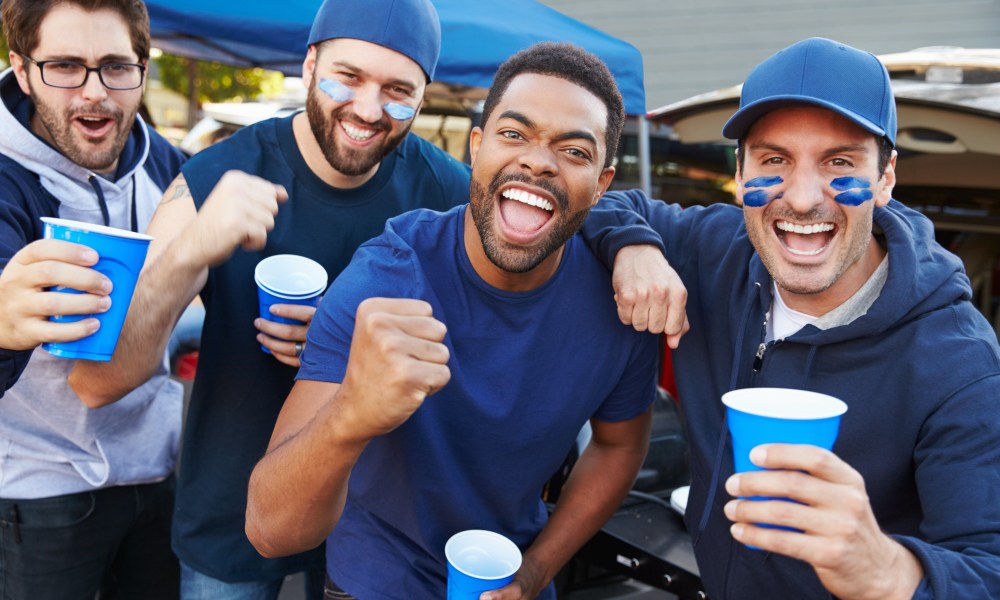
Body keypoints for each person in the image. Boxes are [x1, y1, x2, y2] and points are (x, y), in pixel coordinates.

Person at [69, 0, 473, 597]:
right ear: (308, 65)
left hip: (375, 519)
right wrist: (193, 249)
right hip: (230, 509)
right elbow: (98, 382)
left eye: (397, 90)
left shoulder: (446, 189)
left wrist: (631, 243)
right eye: (348, 76)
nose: (367, 108)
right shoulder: (215, 177)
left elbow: (548, 244)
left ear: (423, 94)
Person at [583, 37, 1000, 599]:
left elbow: (987, 570)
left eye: (840, 162)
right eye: (774, 160)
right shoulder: (717, 248)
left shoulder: (959, 364)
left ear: (886, 178)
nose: (802, 198)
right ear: (739, 172)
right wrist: (635, 248)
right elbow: (602, 199)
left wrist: (886, 570)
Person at [244, 41, 657, 600]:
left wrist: (536, 571)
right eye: (514, 134)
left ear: (603, 184)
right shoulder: (387, 277)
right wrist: (352, 411)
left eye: (574, 151)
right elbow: (270, 531)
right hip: (372, 578)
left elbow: (618, 446)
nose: (537, 161)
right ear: (478, 146)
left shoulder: (622, 300)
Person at [0, 0, 187, 598]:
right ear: (22, 68)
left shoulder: (170, 166)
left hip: (159, 474)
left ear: (142, 65)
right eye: (64, 67)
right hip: (40, 492)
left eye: (114, 66)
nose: (94, 94)